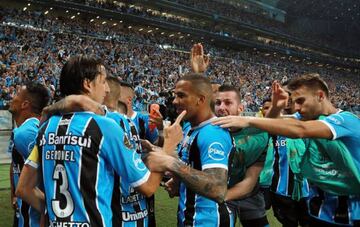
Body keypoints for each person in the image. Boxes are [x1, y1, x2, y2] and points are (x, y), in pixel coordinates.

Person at [16, 55, 183, 227]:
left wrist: (52, 212)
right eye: (103, 82)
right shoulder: (105, 127)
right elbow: (147, 187)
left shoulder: (46, 128)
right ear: (88, 84)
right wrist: (169, 146)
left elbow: (24, 188)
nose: (107, 90)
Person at [213, 74, 360, 226]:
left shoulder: (346, 121)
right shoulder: (308, 117)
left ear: (320, 96)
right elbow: (272, 123)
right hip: (321, 210)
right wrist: (276, 105)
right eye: (294, 102)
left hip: (351, 213)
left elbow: (300, 130)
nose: (296, 107)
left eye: (301, 101)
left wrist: (247, 119)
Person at [145, 74, 234, 226]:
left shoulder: (213, 133)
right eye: (175, 95)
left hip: (206, 221)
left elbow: (218, 189)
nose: (174, 101)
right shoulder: (193, 129)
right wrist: (179, 181)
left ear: (200, 100)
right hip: (191, 217)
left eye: (181, 96)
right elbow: (192, 164)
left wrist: (170, 163)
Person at [214, 85, 269, 227]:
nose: (221, 107)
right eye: (218, 103)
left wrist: (222, 196)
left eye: (228, 103)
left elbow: (250, 181)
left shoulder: (257, 134)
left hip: (249, 195)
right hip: (217, 194)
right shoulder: (208, 132)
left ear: (240, 108)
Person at [8, 82, 50, 227]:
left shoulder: (26, 133)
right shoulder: (21, 131)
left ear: (25, 104)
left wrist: (49, 210)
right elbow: (15, 164)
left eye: (17, 94)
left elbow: (48, 171)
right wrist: (13, 194)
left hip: (34, 219)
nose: (12, 97)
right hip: (24, 211)